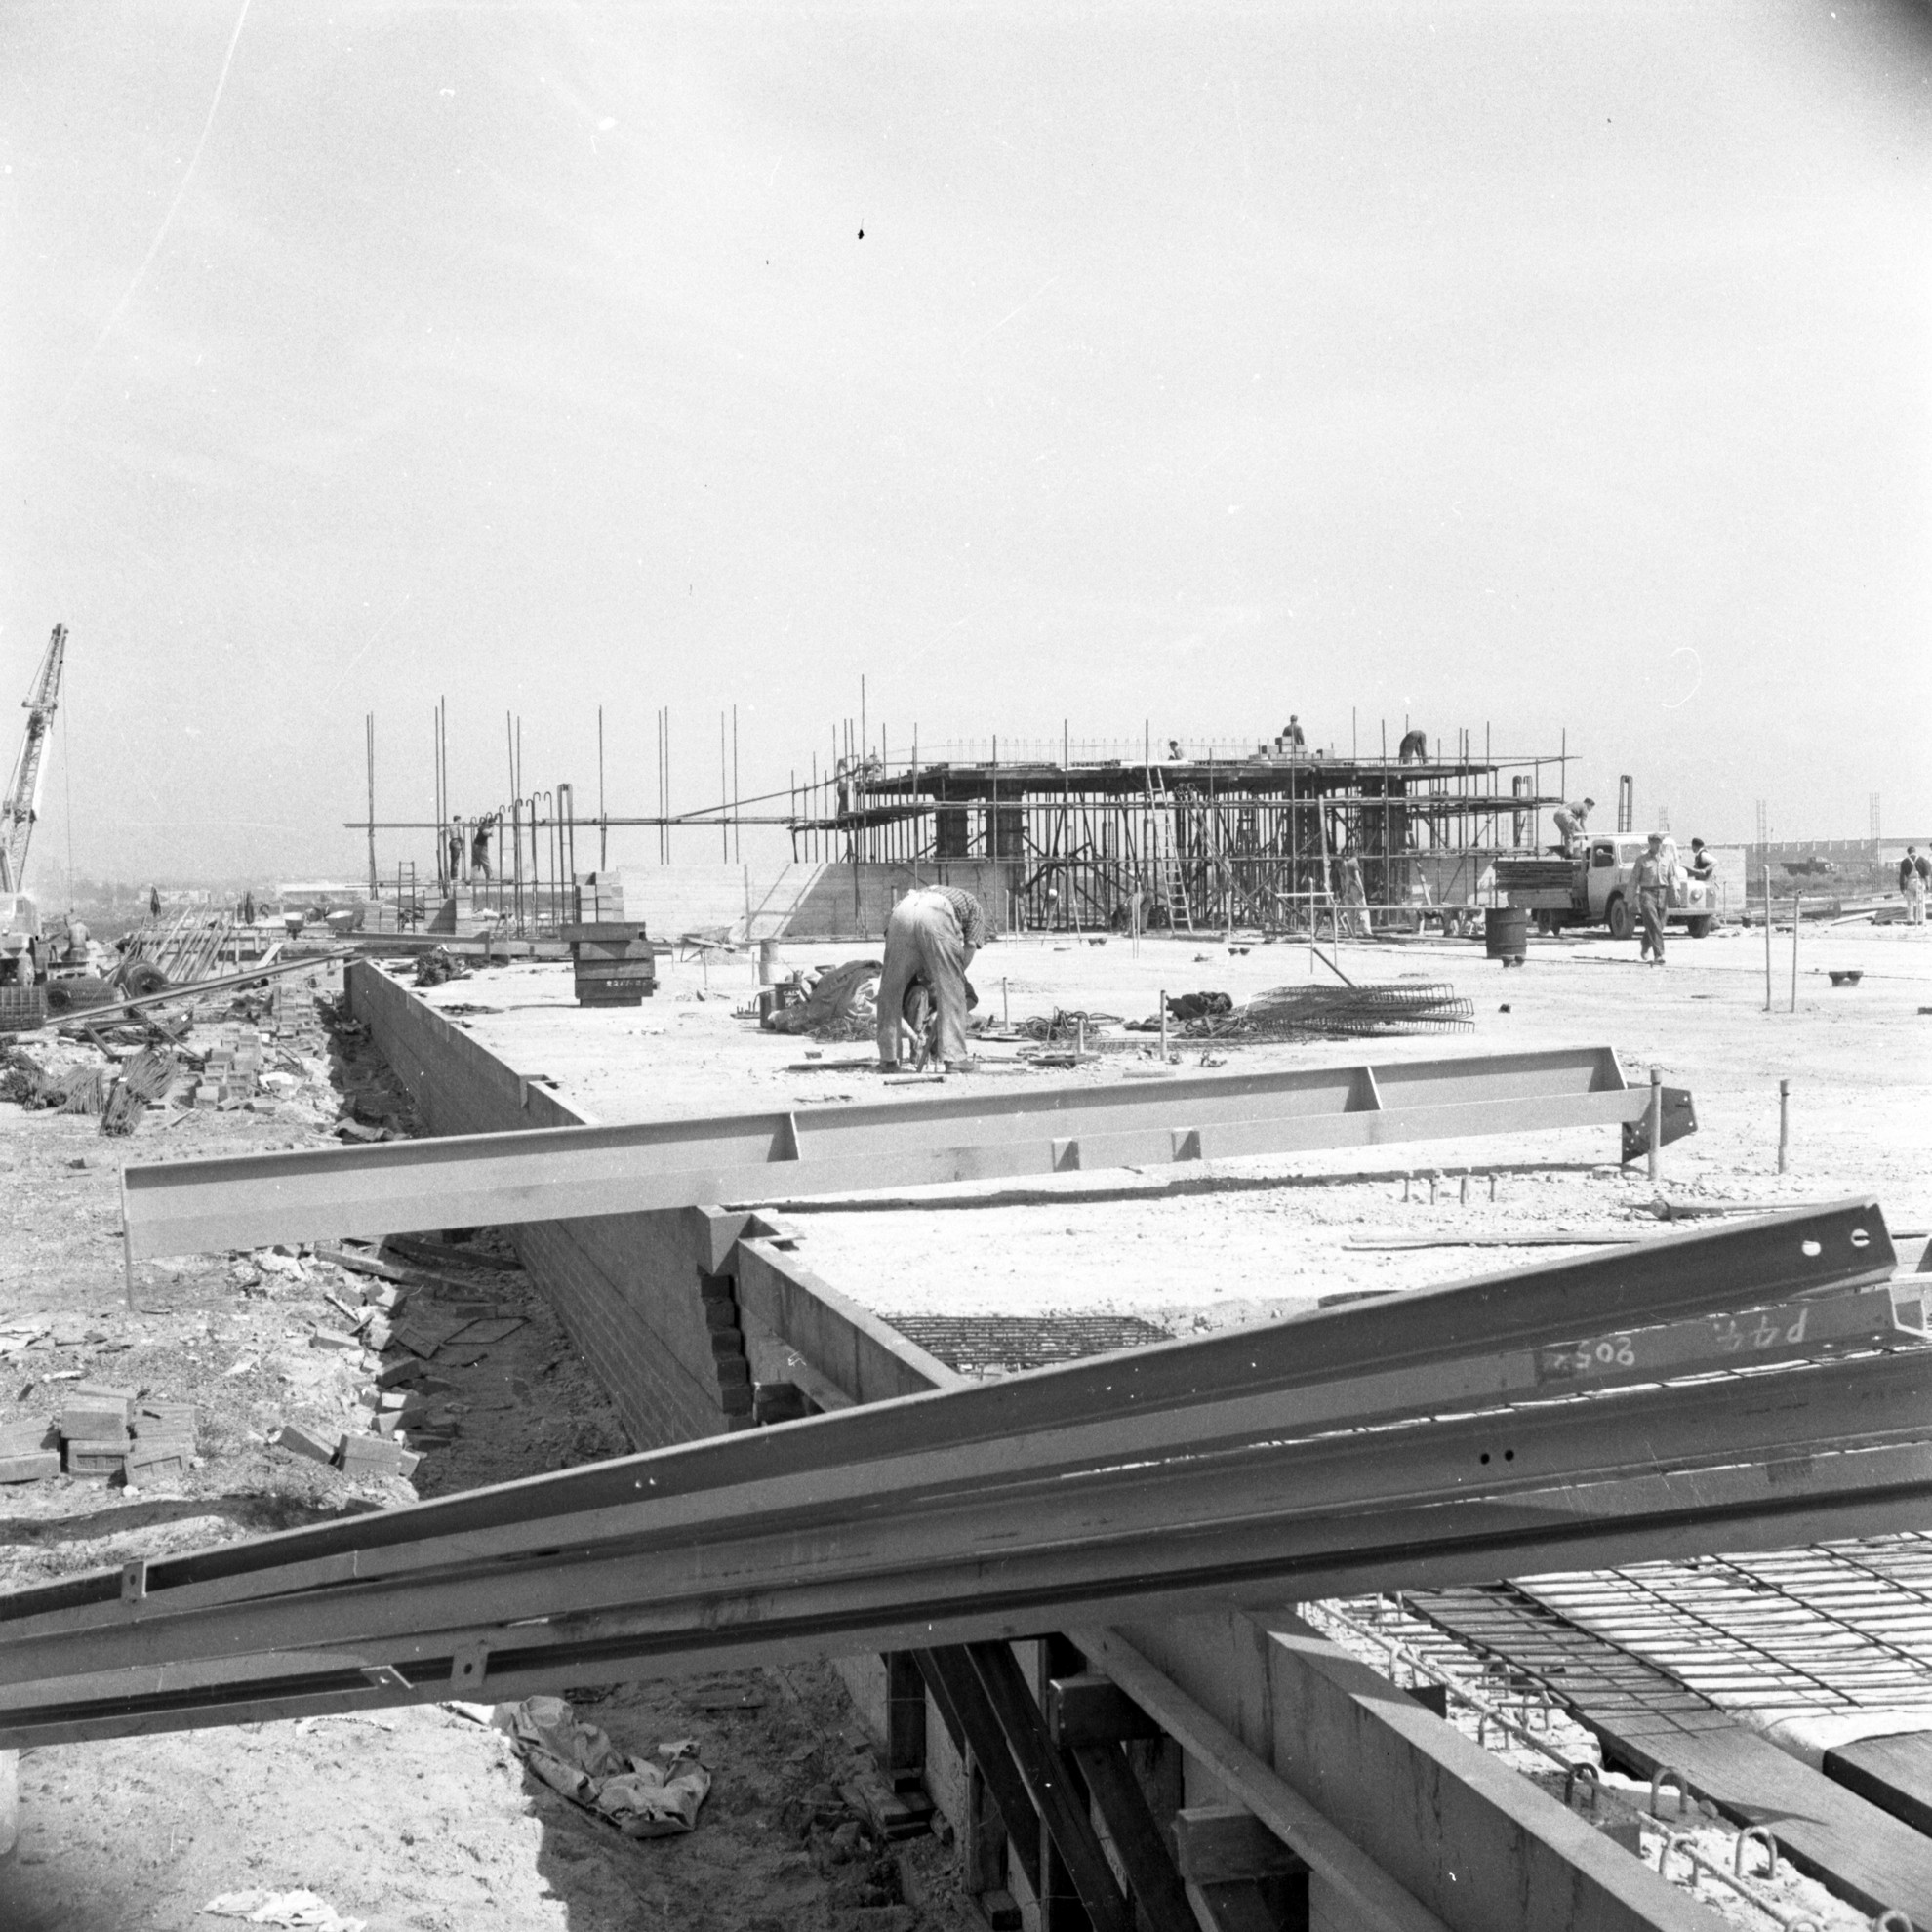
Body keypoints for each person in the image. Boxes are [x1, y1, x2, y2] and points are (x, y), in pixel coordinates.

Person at [876, 884, 988, 1072]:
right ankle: (955, 1059)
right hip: (937, 912)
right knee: (952, 988)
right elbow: (969, 946)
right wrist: (949, 976)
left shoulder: (924, 891)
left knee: (890, 990)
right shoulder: (974, 906)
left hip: (902, 910)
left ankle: (888, 1058)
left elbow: (891, 938)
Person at [1630, 831, 1670, 965]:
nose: (1657, 845)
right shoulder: (1642, 860)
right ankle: (1659, 954)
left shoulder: (1667, 858)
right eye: (1654, 843)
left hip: (1663, 892)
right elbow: (1634, 879)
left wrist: (1676, 893)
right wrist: (1631, 898)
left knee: (1661, 923)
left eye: (1659, 843)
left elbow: (1672, 877)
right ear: (1650, 844)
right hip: (1647, 893)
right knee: (1654, 923)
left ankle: (1645, 943)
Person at [1906, 847, 1928, 927]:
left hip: (1910, 882)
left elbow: (1902, 875)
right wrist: (1928, 884)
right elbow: (1926, 873)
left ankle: (1910, 920)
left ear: (1908, 852)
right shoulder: (1922, 859)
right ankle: (1921, 919)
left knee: (1910, 902)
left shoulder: (1905, 861)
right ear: (1915, 851)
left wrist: (1902, 886)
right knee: (1920, 902)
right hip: (1920, 882)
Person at [470, 814, 495, 881]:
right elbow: (489, 834)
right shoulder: (484, 828)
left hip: (476, 845)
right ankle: (489, 876)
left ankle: (473, 877)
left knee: (476, 862)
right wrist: (492, 828)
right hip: (480, 847)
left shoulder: (482, 827)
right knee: (485, 861)